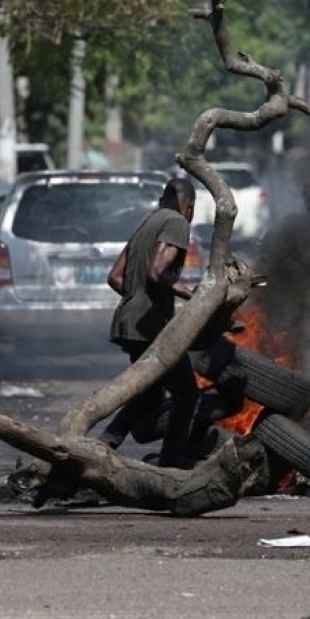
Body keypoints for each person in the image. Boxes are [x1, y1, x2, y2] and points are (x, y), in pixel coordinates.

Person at [99, 179, 203, 469]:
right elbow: (157, 270)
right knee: (187, 393)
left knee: (149, 395)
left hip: (129, 322)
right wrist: (193, 295)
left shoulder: (148, 223)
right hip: (151, 327)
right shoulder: (177, 223)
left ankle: (104, 443)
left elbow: (114, 276)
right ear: (190, 206)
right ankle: (171, 465)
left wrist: (136, 299)